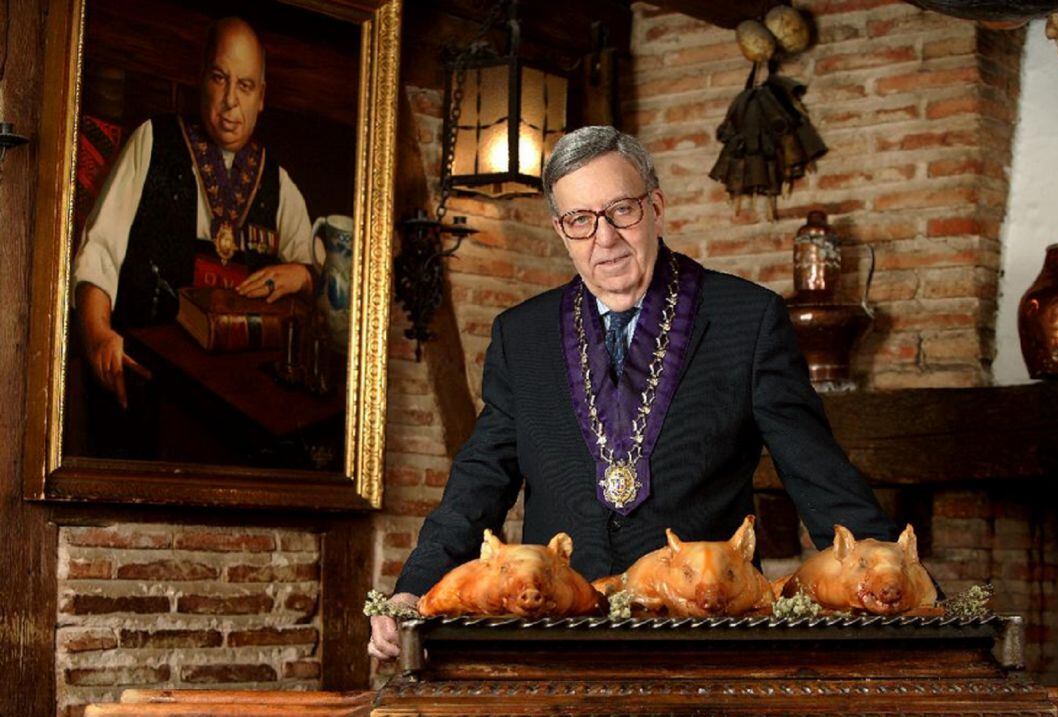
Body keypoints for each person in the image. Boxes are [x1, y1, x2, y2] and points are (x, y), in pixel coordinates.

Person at [368, 126, 897, 660]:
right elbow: (483, 476)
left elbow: (817, 472)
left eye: (621, 209)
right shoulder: (520, 335)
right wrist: (416, 586)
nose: (604, 237)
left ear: (656, 206)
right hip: (554, 629)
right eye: (580, 219)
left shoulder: (748, 319)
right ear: (560, 228)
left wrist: (897, 578)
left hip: (704, 634)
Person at [72, 17, 314, 410]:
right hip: (146, 382)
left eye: (246, 86)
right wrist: (98, 333)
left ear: (262, 96)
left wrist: (304, 275)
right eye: (220, 78)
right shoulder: (152, 140)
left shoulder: (278, 182)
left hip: (236, 398)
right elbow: (99, 251)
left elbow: (319, 275)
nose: (231, 100)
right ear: (202, 79)